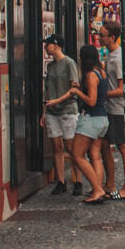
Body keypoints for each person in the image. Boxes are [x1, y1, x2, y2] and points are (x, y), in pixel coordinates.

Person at [42, 34, 82, 196]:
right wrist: (44, 111)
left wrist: (57, 100)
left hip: (67, 109)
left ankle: (77, 180)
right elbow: (47, 90)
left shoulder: (69, 63)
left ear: (56, 45)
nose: (45, 47)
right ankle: (61, 181)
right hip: (52, 111)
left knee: (72, 148)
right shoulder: (50, 66)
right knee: (57, 147)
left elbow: (75, 89)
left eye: (48, 44)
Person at [68, 44, 109, 204]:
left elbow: (91, 101)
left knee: (77, 154)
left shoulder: (91, 75)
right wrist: (82, 89)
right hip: (102, 119)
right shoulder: (101, 72)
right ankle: (97, 188)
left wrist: (78, 92)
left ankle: (97, 190)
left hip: (91, 119)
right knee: (95, 156)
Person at [99, 20, 125, 202]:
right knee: (105, 145)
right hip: (109, 107)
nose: (99, 38)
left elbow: (121, 89)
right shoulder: (110, 55)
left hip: (117, 108)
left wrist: (102, 95)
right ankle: (110, 184)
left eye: (102, 35)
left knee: (122, 147)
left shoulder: (118, 58)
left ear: (112, 37)